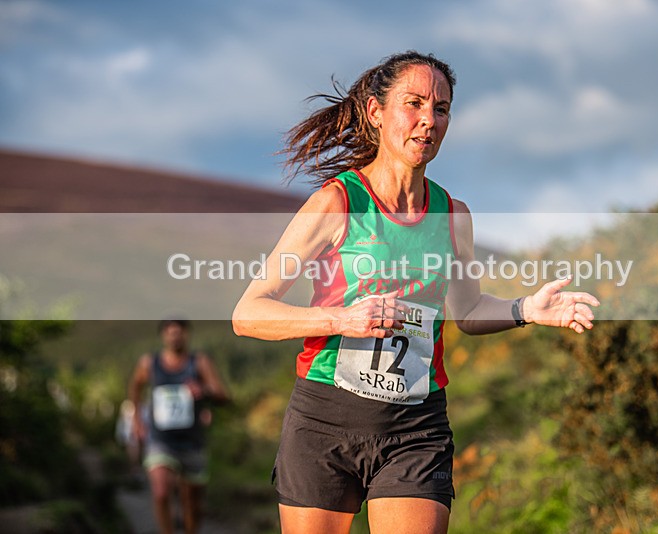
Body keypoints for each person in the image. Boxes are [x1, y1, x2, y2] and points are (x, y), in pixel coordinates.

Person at [232, 51, 599, 534]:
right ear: (375, 112)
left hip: (416, 426)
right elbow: (249, 313)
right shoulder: (337, 203)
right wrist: (343, 320)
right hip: (325, 420)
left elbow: (466, 310)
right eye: (414, 103)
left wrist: (526, 308)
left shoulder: (453, 215)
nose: (429, 120)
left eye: (441, 109)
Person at [128, 318, 231, 534]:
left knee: (192, 502)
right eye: (170, 332)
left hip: (192, 441)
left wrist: (203, 390)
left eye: (179, 332)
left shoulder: (199, 362)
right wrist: (137, 419)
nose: (175, 336)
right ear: (163, 336)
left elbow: (223, 395)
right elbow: (135, 387)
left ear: (187, 335)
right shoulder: (150, 363)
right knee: (161, 490)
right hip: (160, 439)